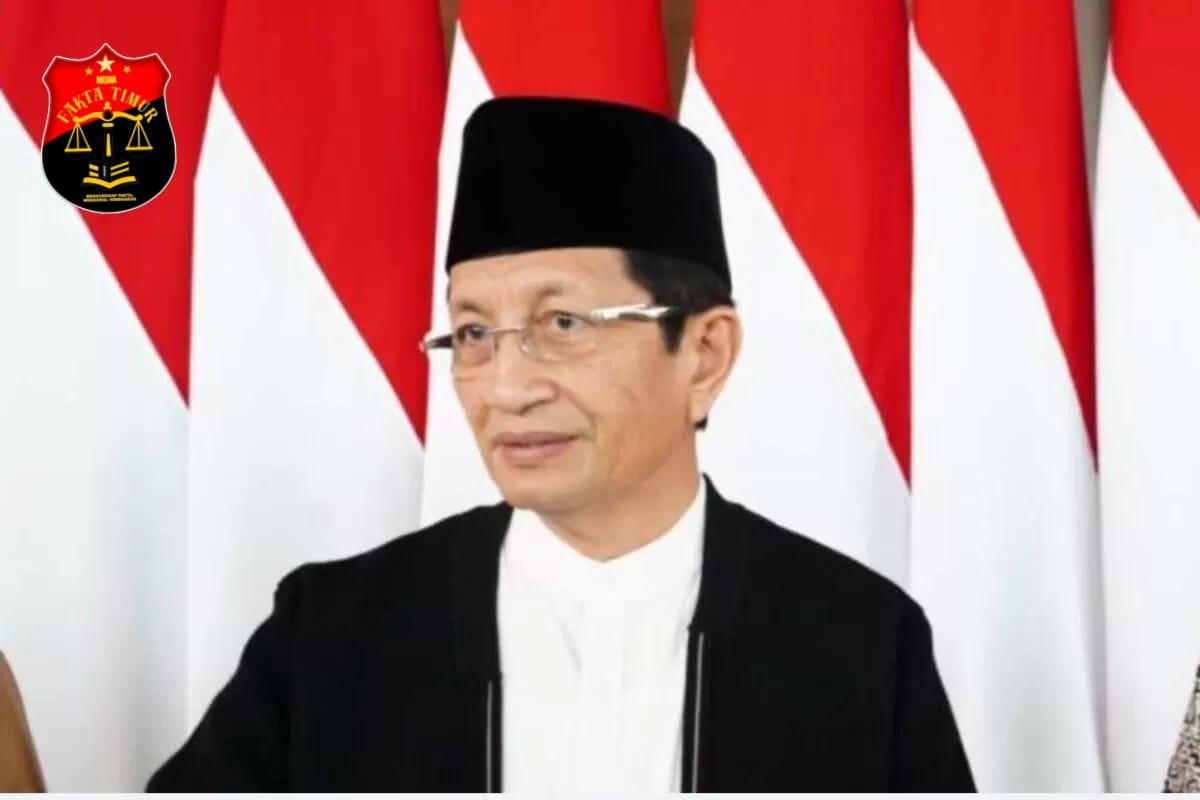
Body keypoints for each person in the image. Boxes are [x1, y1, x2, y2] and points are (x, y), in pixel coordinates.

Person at [147, 96, 974, 792]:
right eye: (474, 333)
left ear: (705, 353)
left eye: (564, 323)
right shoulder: (334, 632)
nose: (506, 388)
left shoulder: (856, 638)